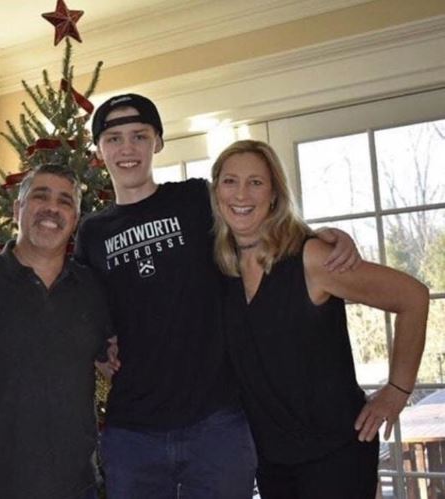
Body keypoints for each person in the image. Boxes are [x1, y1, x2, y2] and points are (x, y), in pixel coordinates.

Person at [74, 93, 360, 498]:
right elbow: (84, 309)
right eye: (114, 138)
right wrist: (99, 349)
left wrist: (324, 235)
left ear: (157, 141)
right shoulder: (91, 232)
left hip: (217, 423)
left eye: (139, 135)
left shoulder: (195, 199)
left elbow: (256, 217)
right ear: (99, 149)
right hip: (132, 431)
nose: (127, 149)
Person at [210, 139, 428, 499]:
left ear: (274, 195)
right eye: (230, 181)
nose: (241, 194)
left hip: (336, 451)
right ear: (216, 191)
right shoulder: (220, 269)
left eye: (256, 182)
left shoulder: (310, 257)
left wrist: (398, 391)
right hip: (272, 459)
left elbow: (413, 297)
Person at [0, 164, 112, 499]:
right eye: (41, 196)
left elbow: (112, 356)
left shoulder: (94, 289)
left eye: (65, 201)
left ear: (75, 219)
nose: (52, 208)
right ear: (17, 209)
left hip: (74, 487)